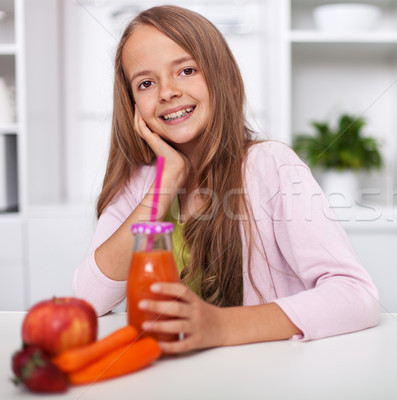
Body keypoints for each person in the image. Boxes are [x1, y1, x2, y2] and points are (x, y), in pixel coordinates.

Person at [73, 5, 379, 354]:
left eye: (186, 70)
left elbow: (356, 294)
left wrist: (219, 327)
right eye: (146, 83)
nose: (167, 92)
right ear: (132, 106)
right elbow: (86, 300)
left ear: (223, 78)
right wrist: (166, 182)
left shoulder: (270, 166)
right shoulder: (139, 183)